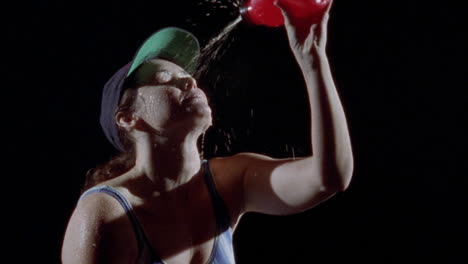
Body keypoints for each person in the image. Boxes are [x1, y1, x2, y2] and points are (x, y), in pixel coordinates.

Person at [61, 1, 353, 263]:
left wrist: (313, 59)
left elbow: (328, 178)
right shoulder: (106, 214)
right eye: (164, 79)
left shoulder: (228, 182)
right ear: (128, 119)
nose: (189, 81)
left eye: (187, 76)